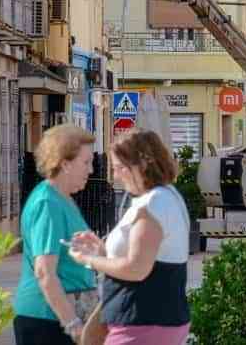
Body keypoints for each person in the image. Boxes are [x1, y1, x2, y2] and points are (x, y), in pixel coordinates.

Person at [69, 128, 190, 345]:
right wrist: (102, 252)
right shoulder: (165, 197)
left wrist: (88, 259)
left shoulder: (154, 204)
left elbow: (136, 268)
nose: (115, 176)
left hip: (143, 321)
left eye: (119, 168)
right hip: (148, 319)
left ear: (141, 165)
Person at [13, 124, 97, 345]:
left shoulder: (63, 198)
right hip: (47, 320)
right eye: (86, 162)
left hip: (59, 318)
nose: (91, 170)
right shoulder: (47, 203)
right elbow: (44, 272)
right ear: (65, 163)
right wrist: (72, 324)